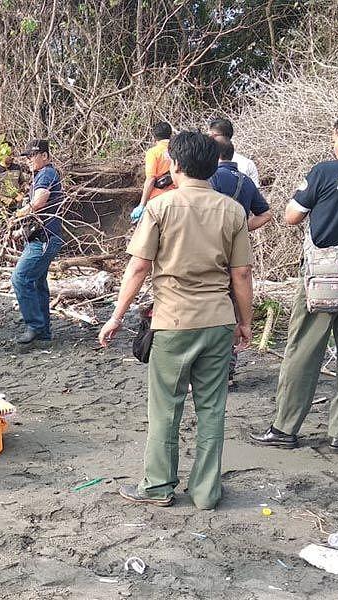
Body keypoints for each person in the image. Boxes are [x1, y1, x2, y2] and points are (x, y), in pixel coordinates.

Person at [98, 131, 254, 510]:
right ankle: (206, 492)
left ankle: (158, 487)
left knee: (165, 408)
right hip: (217, 321)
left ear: (175, 165)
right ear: (213, 166)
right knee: (212, 408)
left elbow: (138, 268)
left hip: (172, 321)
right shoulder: (232, 210)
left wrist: (116, 316)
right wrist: (244, 322)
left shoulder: (160, 208)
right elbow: (242, 275)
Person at [249, 114, 338, 454]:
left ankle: (285, 429)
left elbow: (290, 217)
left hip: (322, 273)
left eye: (335, 138)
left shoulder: (323, 172)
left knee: (303, 347)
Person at [210, 137, 272, 389]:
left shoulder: (210, 179)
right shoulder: (245, 181)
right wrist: (243, 229)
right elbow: (266, 213)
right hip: (238, 251)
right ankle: (228, 373)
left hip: (212, 251)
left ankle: (204, 374)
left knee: (212, 308)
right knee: (233, 310)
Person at [11, 139, 65, 344]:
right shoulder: (41, 175)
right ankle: (43, 332)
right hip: (42, 236)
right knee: (37, 282)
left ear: (45, 155)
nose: (29, 160)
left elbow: (40, 200)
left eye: (32, 156)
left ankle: (34, 325)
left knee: (20, 278)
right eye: (27, 157)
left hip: (44, 239)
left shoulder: (47, 174)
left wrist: (18, 215)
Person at [209, 138, 272, 231]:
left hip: (213, 240)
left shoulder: (212, 176)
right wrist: (241, 230)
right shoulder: (246, 180)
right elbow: (266, 214)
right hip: (238, 242)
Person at [130, 122, 175, 223]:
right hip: (177, 198)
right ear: (170, 134)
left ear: (154, 137)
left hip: (158, 200)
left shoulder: (153, 152)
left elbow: (151, 179)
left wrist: (142, 205)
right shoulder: (178, 150)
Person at [208, 117, 260, 186]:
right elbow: (255, 193)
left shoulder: (206, 163)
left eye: (212, 135)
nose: (209, 138)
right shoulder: (248, 163)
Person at [0, 142, 27, 207]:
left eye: (13, 154)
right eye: (9, 154)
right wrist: (6, 200)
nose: (12, 157)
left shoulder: (17, 168)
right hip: (0, 207)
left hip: (18, 205)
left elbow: (23, 183)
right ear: (1, 154)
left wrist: (22, 193)